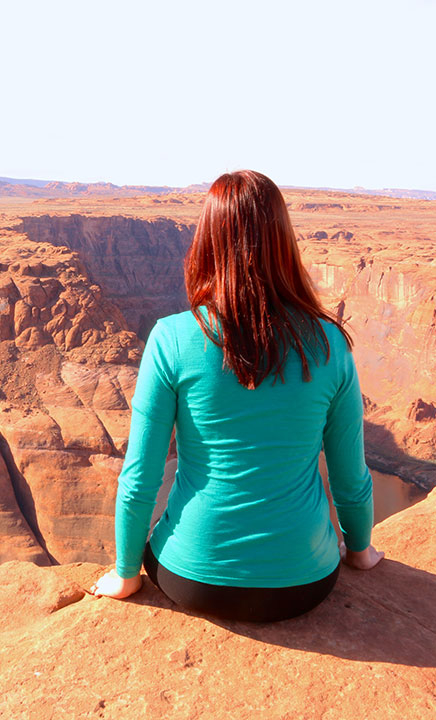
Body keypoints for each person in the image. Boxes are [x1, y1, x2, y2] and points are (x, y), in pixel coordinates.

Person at [90, 170, 383, 622]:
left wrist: (127, 572)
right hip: (305, 582)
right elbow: (350, 476)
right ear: (283, 241)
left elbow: (140, 477)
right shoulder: (330, 345)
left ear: (206, 242)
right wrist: (359, 550)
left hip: (191, 579)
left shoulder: (171, 338)